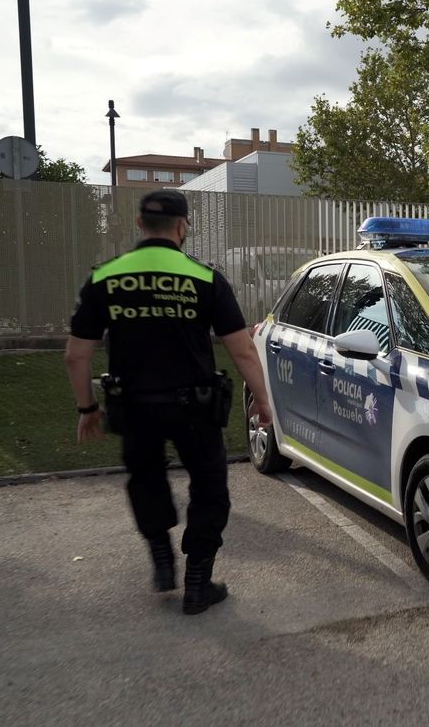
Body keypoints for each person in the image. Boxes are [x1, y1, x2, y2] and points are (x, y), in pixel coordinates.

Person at [64, 189, 273, 615]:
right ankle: (198, 583)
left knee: (145, 479)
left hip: (135, 406)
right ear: (183, 227)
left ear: (140, 225)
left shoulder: (105, 277)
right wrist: (264, 401)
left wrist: (88, 409)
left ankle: (162, 559)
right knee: (209, 488)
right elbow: (242, 349)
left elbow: (76, 355)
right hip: (194, 406)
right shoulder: (205, 278)